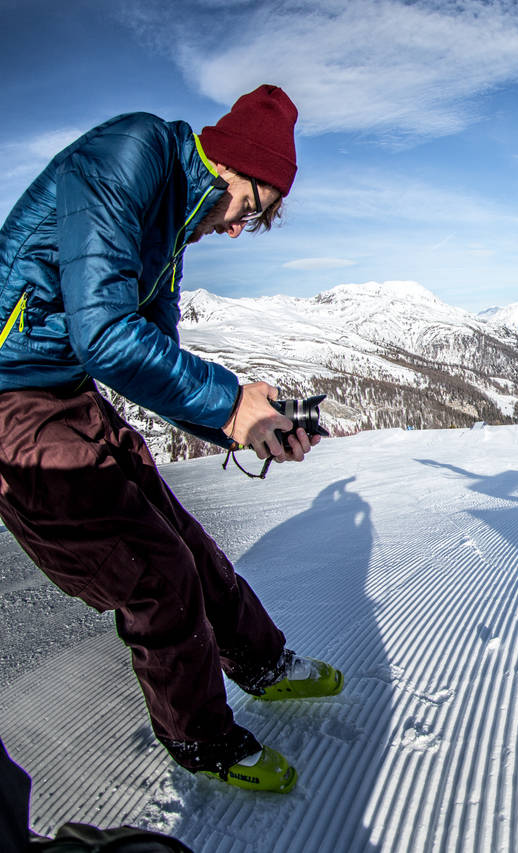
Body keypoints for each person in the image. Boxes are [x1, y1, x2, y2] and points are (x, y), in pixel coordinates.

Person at [0, 85, 342, 794]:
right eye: (254, 207)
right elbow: (104, 334)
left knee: (184, 536)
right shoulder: (131, 155)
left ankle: (262, 661)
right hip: (12, 398)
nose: (242, 229)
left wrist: (248, 423)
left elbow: (150, 352)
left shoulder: (172, 215)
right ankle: (200, 737)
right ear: (228, 166)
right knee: (153, 569)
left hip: (63, 385)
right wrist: (227, 404)